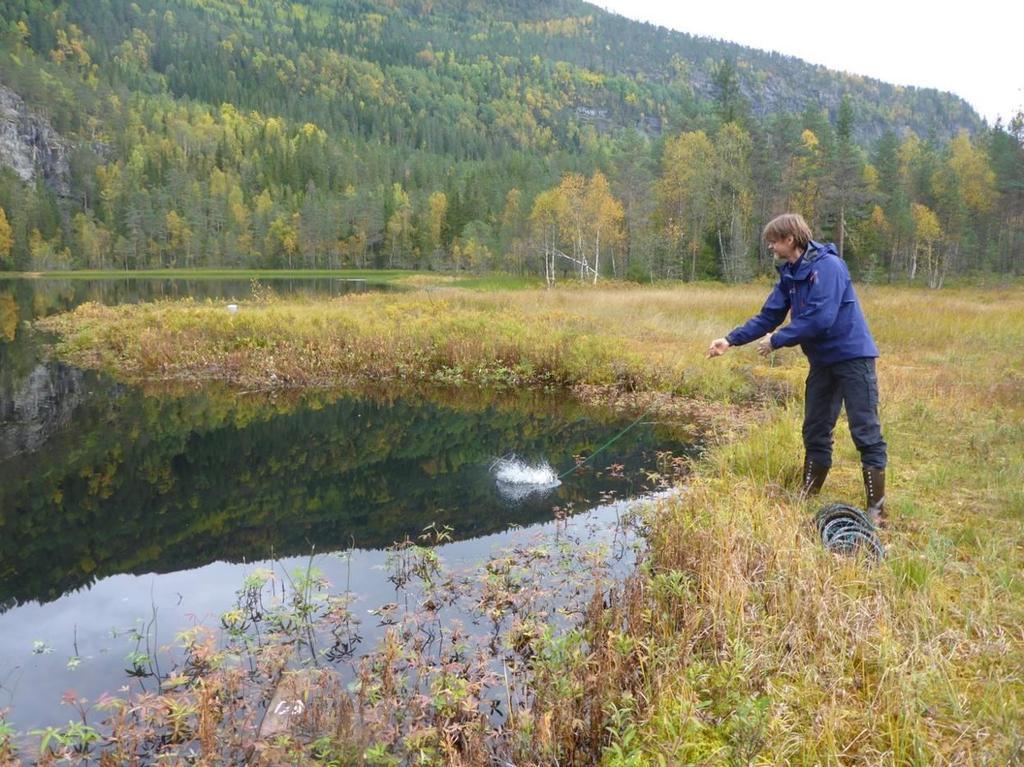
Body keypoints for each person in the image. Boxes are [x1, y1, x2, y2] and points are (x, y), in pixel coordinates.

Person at [707, 213, 888, 525]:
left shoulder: (829, 267)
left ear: (790, 239)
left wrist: (778, 340)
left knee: (865, 430)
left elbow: (821, 317)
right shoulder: (790, 274)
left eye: (773, 241)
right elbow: (768, 316)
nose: (770, 247)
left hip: (853, 357)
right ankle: (809, 491)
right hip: (822, 363)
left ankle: (878, 508)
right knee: (815, 428)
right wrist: (730, 340)